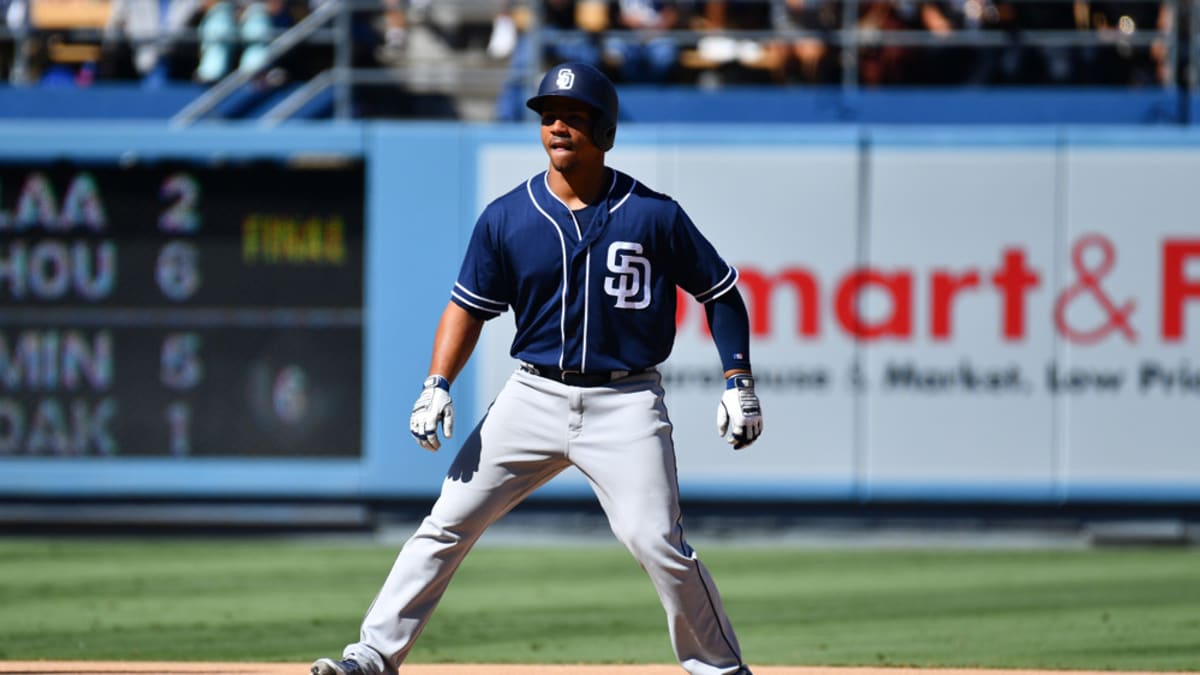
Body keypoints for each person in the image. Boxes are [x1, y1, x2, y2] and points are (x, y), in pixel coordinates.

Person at [310, 61, 763, 675]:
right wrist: (436, 384)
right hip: (532, 396)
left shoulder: (653, 214)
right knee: (447, 522)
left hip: (625, 402)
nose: (557, 126)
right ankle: (371, 654)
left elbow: (721, 293)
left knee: (657, 542)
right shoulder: (508, 217)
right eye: (549, 115)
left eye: (574, 117)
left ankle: (718, 666)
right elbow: (466, 308)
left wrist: (738, 380)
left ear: (603, 131)